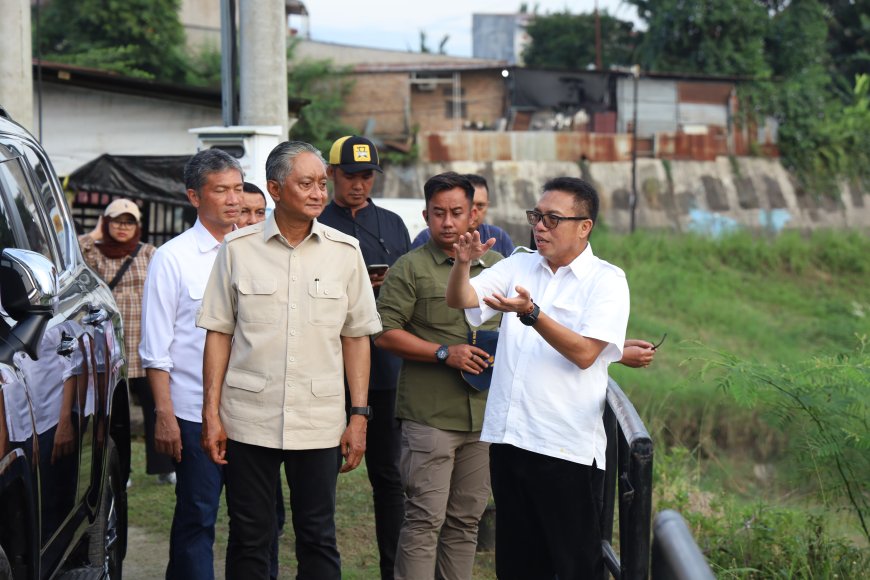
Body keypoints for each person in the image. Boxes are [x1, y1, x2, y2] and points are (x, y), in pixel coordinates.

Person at [197, 141, 381, 580]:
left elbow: (356, 337)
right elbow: (219, 333)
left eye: (322, 183)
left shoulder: (345, 251)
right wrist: (211, 413)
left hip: (319, 421)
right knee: (250, 535)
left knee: (318, 535)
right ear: (275, 189)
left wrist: (359, 416)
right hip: (249, 418)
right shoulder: (237, 249)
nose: (318, 193)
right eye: (306, 184)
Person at [445, 176, 630, 579]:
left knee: (574, 567)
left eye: (552, 219)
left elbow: (585, 353)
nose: (540, 227)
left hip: (565, 447)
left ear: (584, 227)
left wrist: (532, 314)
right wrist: (462, 264)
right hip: (510, 440)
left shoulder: (607, 280)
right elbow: (462, 299)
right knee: (517, 566)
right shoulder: (520, 264)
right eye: (536, 216)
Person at [374, 172, 502, 580]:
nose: (448, 222)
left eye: (457, 212)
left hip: (484, 418)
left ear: (473, 215)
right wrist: (444, 353)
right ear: (425, 215)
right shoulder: (410, 268)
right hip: (430, 416)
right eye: (438, 213)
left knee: (465, 522)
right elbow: (384, 333)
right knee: (424, 519)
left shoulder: (497, 267)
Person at [139, 148, 243, 580]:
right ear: (194, 196)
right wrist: (164, 415)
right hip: (193, 411)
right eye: (221, 190)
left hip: (251, 411)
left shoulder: (255, 250)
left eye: (238, 188)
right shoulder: (172, 257)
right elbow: (155, 348)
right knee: (198, 514)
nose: (233, 199)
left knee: (258, 518)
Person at [318, 135, 409, 580]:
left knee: (390, 476)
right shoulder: (316, 220)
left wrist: (387, 286)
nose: (359, 185)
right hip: (328, 366)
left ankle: (393, 569)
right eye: (351, 176)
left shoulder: (392, 224)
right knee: (320, 476)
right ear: (331, 174)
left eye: (367, 176)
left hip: (386, 366)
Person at [78, 199, 175, 484]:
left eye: (129, 222)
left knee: (156, 406)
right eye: (117, 221)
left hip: (145, 343)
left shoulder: (149, 253)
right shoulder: (94, 254)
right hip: (110, 347)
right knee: (115, 415)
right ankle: (122, 469)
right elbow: (72, 259)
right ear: (106, 222)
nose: (123, 227)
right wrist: (95, 234)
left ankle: (164, 467)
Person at [412, 174, 514, 256]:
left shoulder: (499, 238)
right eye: (439, 213)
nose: (448, 223)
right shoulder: (424, 239)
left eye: (480, 205)